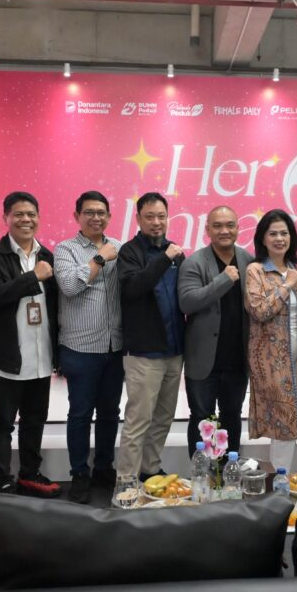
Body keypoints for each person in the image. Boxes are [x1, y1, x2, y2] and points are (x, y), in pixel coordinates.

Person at [0, 191, 61, 497]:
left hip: (41, 356)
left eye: (31, 214)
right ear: (6, 218)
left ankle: (29, 474)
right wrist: (32, 277)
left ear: (38, 217)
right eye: (19, 214)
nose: (26, 219)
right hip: (7, 358)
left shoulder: (47, 255)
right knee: (2, 423)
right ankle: (1, 480)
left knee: (34, 420)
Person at [54, 191, 125, 504]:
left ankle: (104, 468)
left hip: (115, 345)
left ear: (109, 216)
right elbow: (70, 286)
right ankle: (79, 473)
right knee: (80, 413)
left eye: (101, 212)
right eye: (89, 212)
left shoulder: (120, 247)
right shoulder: (65, 249)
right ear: (77, 216)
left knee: (110, 412)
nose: (96, 217)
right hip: (80, 347)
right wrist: (99, 259)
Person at [245, 209, 297, 472]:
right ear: (263, 239)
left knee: (296, 420)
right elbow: (259, 311)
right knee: (283, 421)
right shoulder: (256, 270)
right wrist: (286, 285)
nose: (279, 238)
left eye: (284, 233)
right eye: (273, 233)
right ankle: (280, 483)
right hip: (272, 362)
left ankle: (283, 478)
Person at [118, 192, 186, 480]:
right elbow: (133, 288)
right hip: (144, 353)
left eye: (161, 216)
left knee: (163, 418)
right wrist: (163, 259)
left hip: (174, 350)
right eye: (150, 217)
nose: (156, 222)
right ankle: (126, 481)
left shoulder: (176, 252)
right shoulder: (129, 252)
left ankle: (150, 470)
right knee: (138, 420)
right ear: (138, 219)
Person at [178, 206, 254, 457]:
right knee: (202, 417)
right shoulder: (194, 262)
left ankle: (228, 469)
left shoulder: (249, 261)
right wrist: (224, 279)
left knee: (232, 416)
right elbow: (187, 302)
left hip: (237, 359)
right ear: (207, 229)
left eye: (230, 225)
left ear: (238, 228)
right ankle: (202, 472)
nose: (224, 231)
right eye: (218, 225)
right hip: (203, 360)